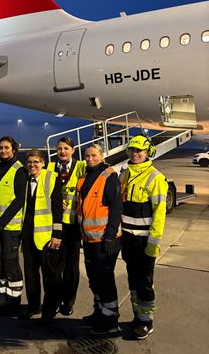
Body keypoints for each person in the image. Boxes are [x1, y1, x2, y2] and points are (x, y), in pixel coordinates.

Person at [120, 135, 168, 340]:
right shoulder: (125, 173)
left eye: (139, 150)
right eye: (132, 150)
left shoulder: (156, 177)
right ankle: (137, 316)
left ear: (148, 152)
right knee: (132, 279)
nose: (135, 154)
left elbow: (159, 213)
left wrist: (153, 243)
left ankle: (147, 321)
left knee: (145, 282)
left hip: (144, 240)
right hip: (128, 238)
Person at [76, 144, 123, 335]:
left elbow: (116, 207)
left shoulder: (109, 176)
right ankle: (100, 312)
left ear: (101, 156)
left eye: (94, 155)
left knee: (105, 280)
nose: (90, 158)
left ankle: (111, 321)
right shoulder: (84, 177)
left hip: (105, 239)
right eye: (87, 156)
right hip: (89, 239)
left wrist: (111, 234)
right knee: (94, 279)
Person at [20, 149, 63, 321]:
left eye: (36, 162)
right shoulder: (24, 179)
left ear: (43, 163)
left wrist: (57, 234)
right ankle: (33, 306)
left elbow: (58, 207)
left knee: (49, 276)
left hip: (46, 236)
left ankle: (50, 308)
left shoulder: (51, 178)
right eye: (30, 162)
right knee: (30, 274)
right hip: (28, 235)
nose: (33, 165)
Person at [0, 136, 28, 316]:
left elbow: (19, 200)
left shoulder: (20, 170)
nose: (3, 151)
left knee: (10, 264)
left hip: (10, 226)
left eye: (6, 148)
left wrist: (2, 222)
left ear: (14, 150)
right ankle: (3, 298)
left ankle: (14, 302)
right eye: (1, 147)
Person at [46, 137, 86, 316]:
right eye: (60, 149)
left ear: (73, 150)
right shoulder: (49, 168)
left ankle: (68, 300)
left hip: (72, 226)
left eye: (66, 148)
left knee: (71, 266)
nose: (62, 152)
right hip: (55, 224)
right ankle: (54, 299)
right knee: (54, 266)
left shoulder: (80, 167)